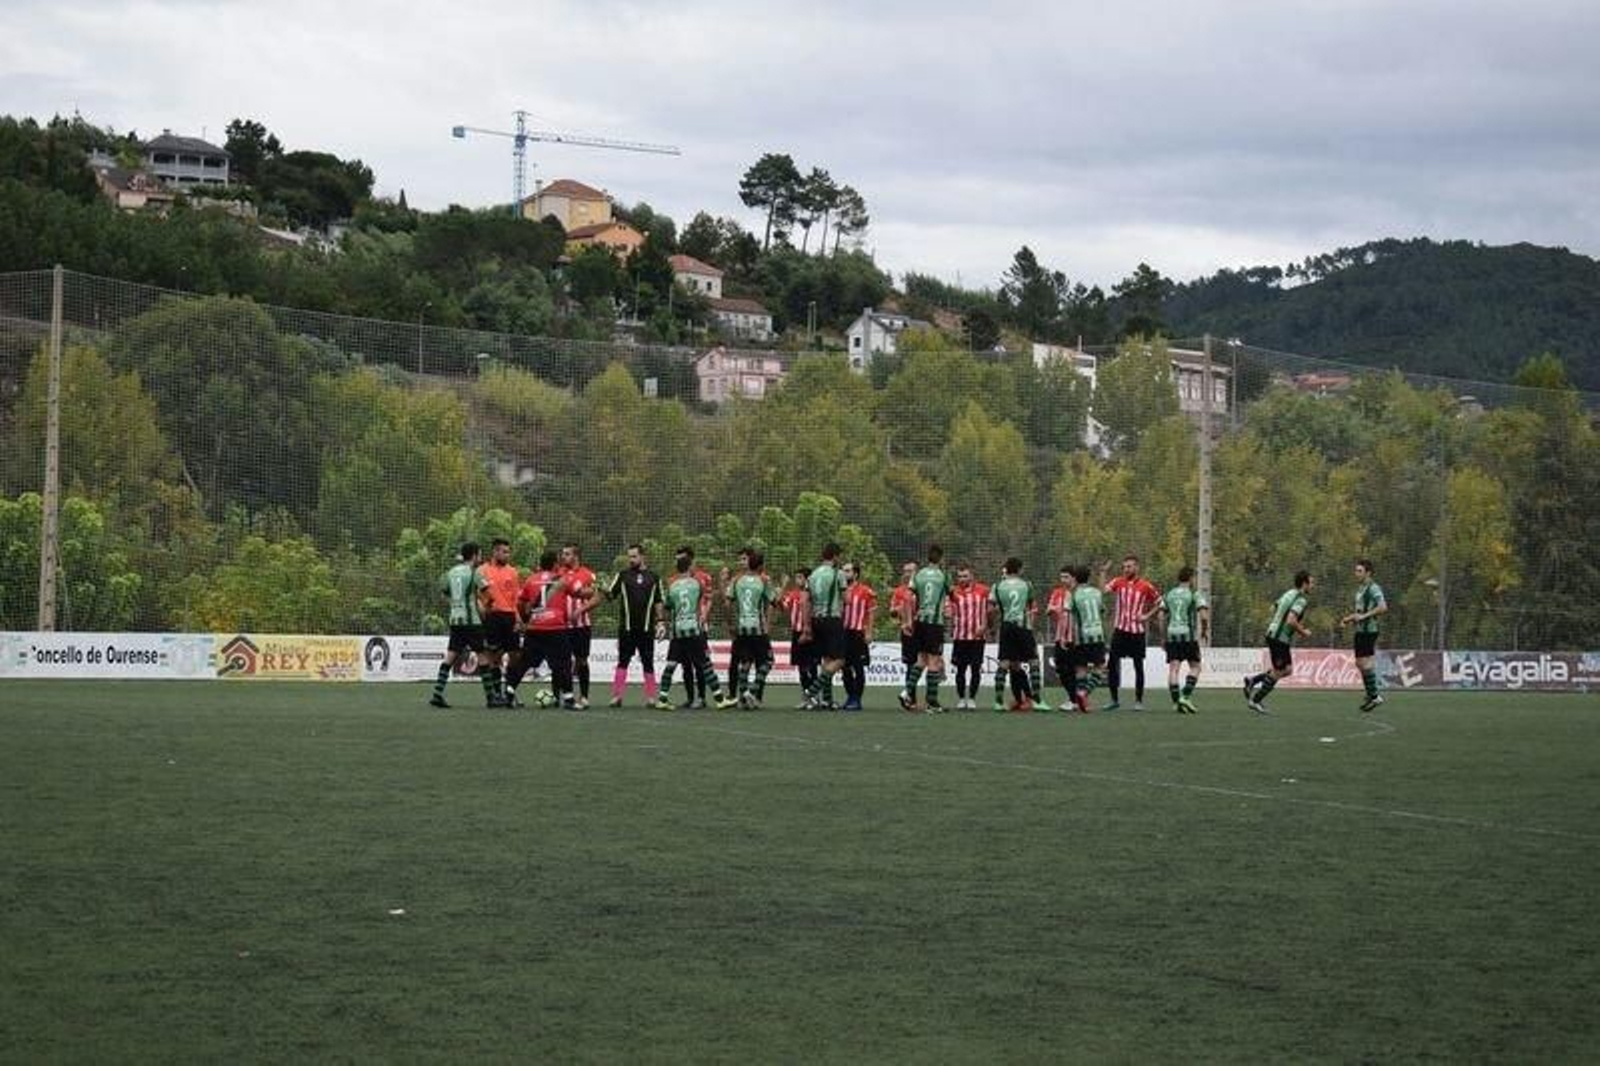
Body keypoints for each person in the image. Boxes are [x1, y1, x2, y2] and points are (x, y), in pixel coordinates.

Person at [653, 554, 735, 710]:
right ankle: (719, 698)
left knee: (671, 664)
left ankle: (662, 699)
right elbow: (704, 598)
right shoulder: (696, 583)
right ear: (690, 567)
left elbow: (668, 605)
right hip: (693, 630)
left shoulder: (672, 585)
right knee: (705, 664)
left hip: (678, 632)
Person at [505, 549, 580, 709]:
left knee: (524, 662)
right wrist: (592, 591)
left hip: (535, 628)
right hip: (556, 628)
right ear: (555, 564)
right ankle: (569, 699)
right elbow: (578, 593)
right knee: (563, 664)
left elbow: (521, 604)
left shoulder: (531, 580)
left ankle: (509, 693)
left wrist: (525, 619)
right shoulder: (562, 580)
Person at [431, 542, 496, 709]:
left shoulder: (451, 572)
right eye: (480, 555)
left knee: (451, 656)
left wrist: (456, 604)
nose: (481, 558)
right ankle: (491, 698)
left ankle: (437, 694)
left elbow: (444, 592)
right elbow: (489, 595)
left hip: (455, 620)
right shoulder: (475, 572)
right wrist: (485, 609)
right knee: (482, 655)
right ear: (474, 555)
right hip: (471, 621)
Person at [1244, 570, 1315, 715]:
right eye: (1311, 583)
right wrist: (1303, 632)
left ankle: (1253, 680)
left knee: (1287, 670)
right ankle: (1256, 700)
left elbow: (1274, 607)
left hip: (1275, 634)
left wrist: (1278, 619)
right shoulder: (1301, 599)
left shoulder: (1289, 593)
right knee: (1279, 671)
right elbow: (1291, 620)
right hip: (1279, 637)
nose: (1312, 586)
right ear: (1304, 583)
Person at [604, 543, 662, 707]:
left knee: (648, 662)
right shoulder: (622, 576)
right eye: (629, 556)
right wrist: (602, 589)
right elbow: (611, 596)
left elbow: (658, 601)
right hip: (627, 629)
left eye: (634, 556)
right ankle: (617, 697)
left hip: (646, 628)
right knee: (623, 661)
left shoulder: (654, 577)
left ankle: (651, 698)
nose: (631, 559)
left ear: (643, 556)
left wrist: (661, 622)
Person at [1103, 554, 1160, 711]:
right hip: (1120, 630)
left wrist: (1147, 616)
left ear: (1136, 567)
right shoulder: (1118, 581)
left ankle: (1138, 701)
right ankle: (1114, 700)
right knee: (1112, 664)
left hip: (1137, 632)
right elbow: (1104, 590)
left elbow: (1160, 602)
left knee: (1138, 666)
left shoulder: (1145, 585)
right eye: (1124, 567)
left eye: (1129, 566)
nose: (1126, 569)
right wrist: (1103, 573)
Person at [901, 544, 953, 712]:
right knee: (933, 661)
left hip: (920, 621)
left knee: (921, 660)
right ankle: (932, 702)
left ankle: (906, 691)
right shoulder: (943, 575)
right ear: (941, 558)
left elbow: (908, 598)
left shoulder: (919, 574)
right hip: (934, 623)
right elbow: (953, 595)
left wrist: (908, 621)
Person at [727, 550, 777, 708]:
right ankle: (753, 691)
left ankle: (743, 698)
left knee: (745, 662)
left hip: (742, 628)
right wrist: (768, 624)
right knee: (768, 661)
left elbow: (727, 603)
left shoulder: (737, 580)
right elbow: (773, 602)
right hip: (758, 628)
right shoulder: (763, 580)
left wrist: (731, 624)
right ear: (761, 565)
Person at [1156, 565, 1209, 713]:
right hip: (1188, 635)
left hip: (1172, 635)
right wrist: (1204, 631)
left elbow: (1160, 616)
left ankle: (1176, 702)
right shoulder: (1194, 594)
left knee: (1174, 669)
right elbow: (1204, 616)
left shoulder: (1168, 594)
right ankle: (1185, 696)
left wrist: (1162, 637)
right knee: (1196, 667)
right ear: (1191, 578)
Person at [990, 557, 1039, 712]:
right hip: (1023, 627)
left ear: (1006, 569)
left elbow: (991, 608)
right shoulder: (1027, 585)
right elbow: (1031, 605)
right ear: (1020, 569)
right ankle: (1037, 700)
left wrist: (991, 625)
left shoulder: (997, 586)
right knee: (1033, 661)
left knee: (1005, 663)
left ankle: (998, 702)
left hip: (1006, 626)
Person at [803, 543, 847, 710]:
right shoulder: (838, 574)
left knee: (827, 659)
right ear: (835, 556)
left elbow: (806, 601)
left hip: (816, 619)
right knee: (840, 659)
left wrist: (807, 625)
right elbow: (847, 599)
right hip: (832, 619)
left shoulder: (813, 575)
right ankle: (811, 691)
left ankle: (827, 700)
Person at [1340, 558, 1388, 712]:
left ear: (1368, 573)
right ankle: (1372, 694)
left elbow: (1383, 607)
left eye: (1359, 571)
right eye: (1356, 570)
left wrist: (1364, 617)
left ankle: (1374, 695)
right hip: (1361, 630)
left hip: (1369, 630)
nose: (1356, 573)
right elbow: (1360, 613)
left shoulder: (1374, 588)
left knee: (1363, 663)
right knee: (1361, 663)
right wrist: (1349, 619)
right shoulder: (1361, 589)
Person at [478, 537, 521, 707]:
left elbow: (515, 600)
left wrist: (517, 619)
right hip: (493, 617)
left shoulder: (513, 572)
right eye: (504, 551)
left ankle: (509, 692)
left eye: (508, 552)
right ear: (494, 552)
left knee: (515, 656)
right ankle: (496, 694)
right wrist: (482, 611)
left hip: (509, 617)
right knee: (493, 657)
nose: (507, 555)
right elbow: (478, 596)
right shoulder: (482, 570)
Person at [560, 542, 598, 709]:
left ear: (576, 556)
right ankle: (560, 696)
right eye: (563, 554)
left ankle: (584, 696)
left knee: (582, 660)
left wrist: (580, 610)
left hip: (582, 626)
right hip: (561, 626)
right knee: (562, 661)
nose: (563, 557)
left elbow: (597, 598)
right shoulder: (558, 573)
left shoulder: (588, 574)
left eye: (567, 554)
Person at [947, 565, 989, 711]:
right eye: (960, 576)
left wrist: (984, 625)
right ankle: (961, 699)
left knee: (976, 668)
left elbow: (989, 610)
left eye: (965, 576)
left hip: (977, 637)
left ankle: (971, 698)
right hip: (960, 636)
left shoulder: (983, 590)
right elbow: (949, 610)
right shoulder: (953, 592)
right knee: (960, 669)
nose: (962, 579)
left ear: (971, 576)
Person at [1069, 564, 1107, 714]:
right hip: (1097, 634)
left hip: (1081, 636)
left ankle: (1080, 699)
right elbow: (1102, 610)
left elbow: (1072, 618)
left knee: (1081, 669)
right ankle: (1083, 694)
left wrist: (1071, 637)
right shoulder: (1097, 593)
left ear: (1075, 579)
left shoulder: (1073, 595)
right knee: (1099, 668)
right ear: (1089, 577)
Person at [840, 561, 876, 711]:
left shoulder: (866, 591)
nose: (844, 573)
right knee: (844, 667)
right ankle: (850, 696)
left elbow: (872, 612)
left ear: (855, 574)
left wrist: (869, 631)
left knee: (858, 667)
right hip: (843, 633)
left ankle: (857, 699)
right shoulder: (840, 591)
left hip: (858, 632)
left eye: (847, 571)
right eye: (843, 571)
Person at [780, 569, 816, 707]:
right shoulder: (792, 594)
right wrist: (783, 587)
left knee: (812, 666)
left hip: (811, 633)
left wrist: (809, 631)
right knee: (801, 667)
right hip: (796, 633)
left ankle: (814, 696)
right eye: (796, 577)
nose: (797, 580)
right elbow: (781, 606)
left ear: (807, 579)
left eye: (800, 577)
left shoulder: (813, 595)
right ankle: (805, 696)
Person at [1045, 566, 1078, 711]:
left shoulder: (1078, 593)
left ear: (1073, 578)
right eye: (1062, 577)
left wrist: (1056, 609)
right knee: (1061, 668)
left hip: (1074, 637)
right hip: (1060, 636)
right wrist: (1054, 610)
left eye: (1066, 577)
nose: (1063, 580)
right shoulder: (1057, 592)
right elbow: (1049, 610)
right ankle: (1074, 699)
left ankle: (1074, 700)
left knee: (1070, 669)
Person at [889, 561, 919, 704]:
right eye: (905, 571)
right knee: (911, 664)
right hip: (908, 631)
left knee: (930, 662)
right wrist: (898, 610)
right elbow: (892, 611)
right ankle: (910, 698)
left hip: (924, 629)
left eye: (910, 571)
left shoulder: (922, 588)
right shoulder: (899, 591)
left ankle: (931, 699)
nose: (907, 574)